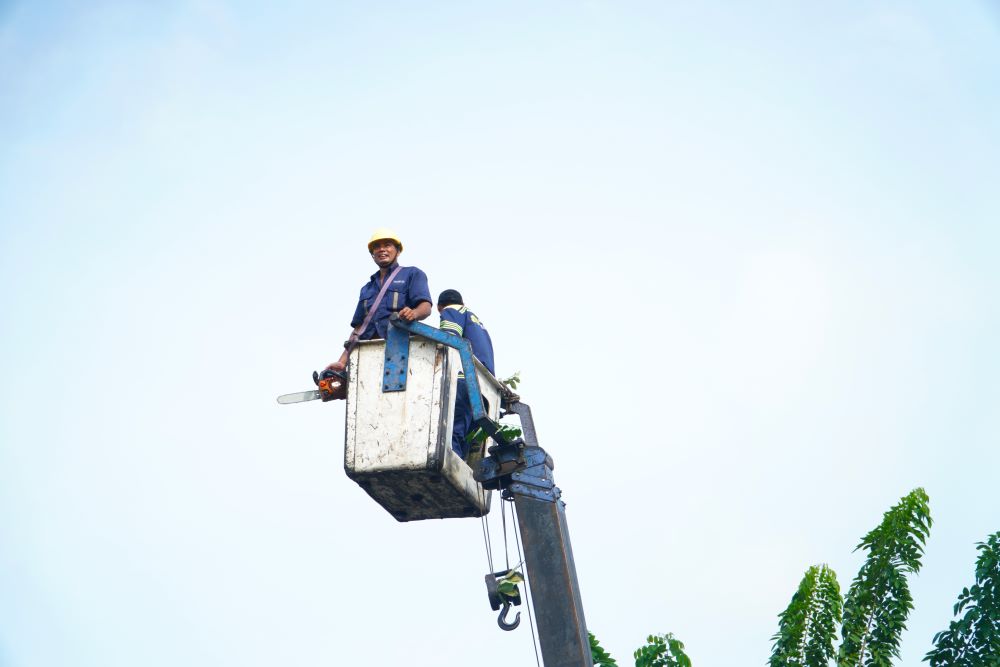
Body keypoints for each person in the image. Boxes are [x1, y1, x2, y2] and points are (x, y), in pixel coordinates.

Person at [327, 229, 432, 374]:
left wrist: (413, 313)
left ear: (398, 251)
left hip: (402, 350)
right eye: (377, 247)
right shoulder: (367, 288)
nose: (382, 249)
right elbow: (359, 329)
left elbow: (426, 307)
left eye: (387, 245)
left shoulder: (412, 274)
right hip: (368, 356)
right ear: (372, 255)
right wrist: (342, 362)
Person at [437, 289, 495, 459]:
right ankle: (458, 465)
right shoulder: (477, 322)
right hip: (482, 387)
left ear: (439, 307)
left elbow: (449, 338)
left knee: (452, 428)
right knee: (464, 432)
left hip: (463, 379)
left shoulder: (452, 311)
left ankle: (451, 466)